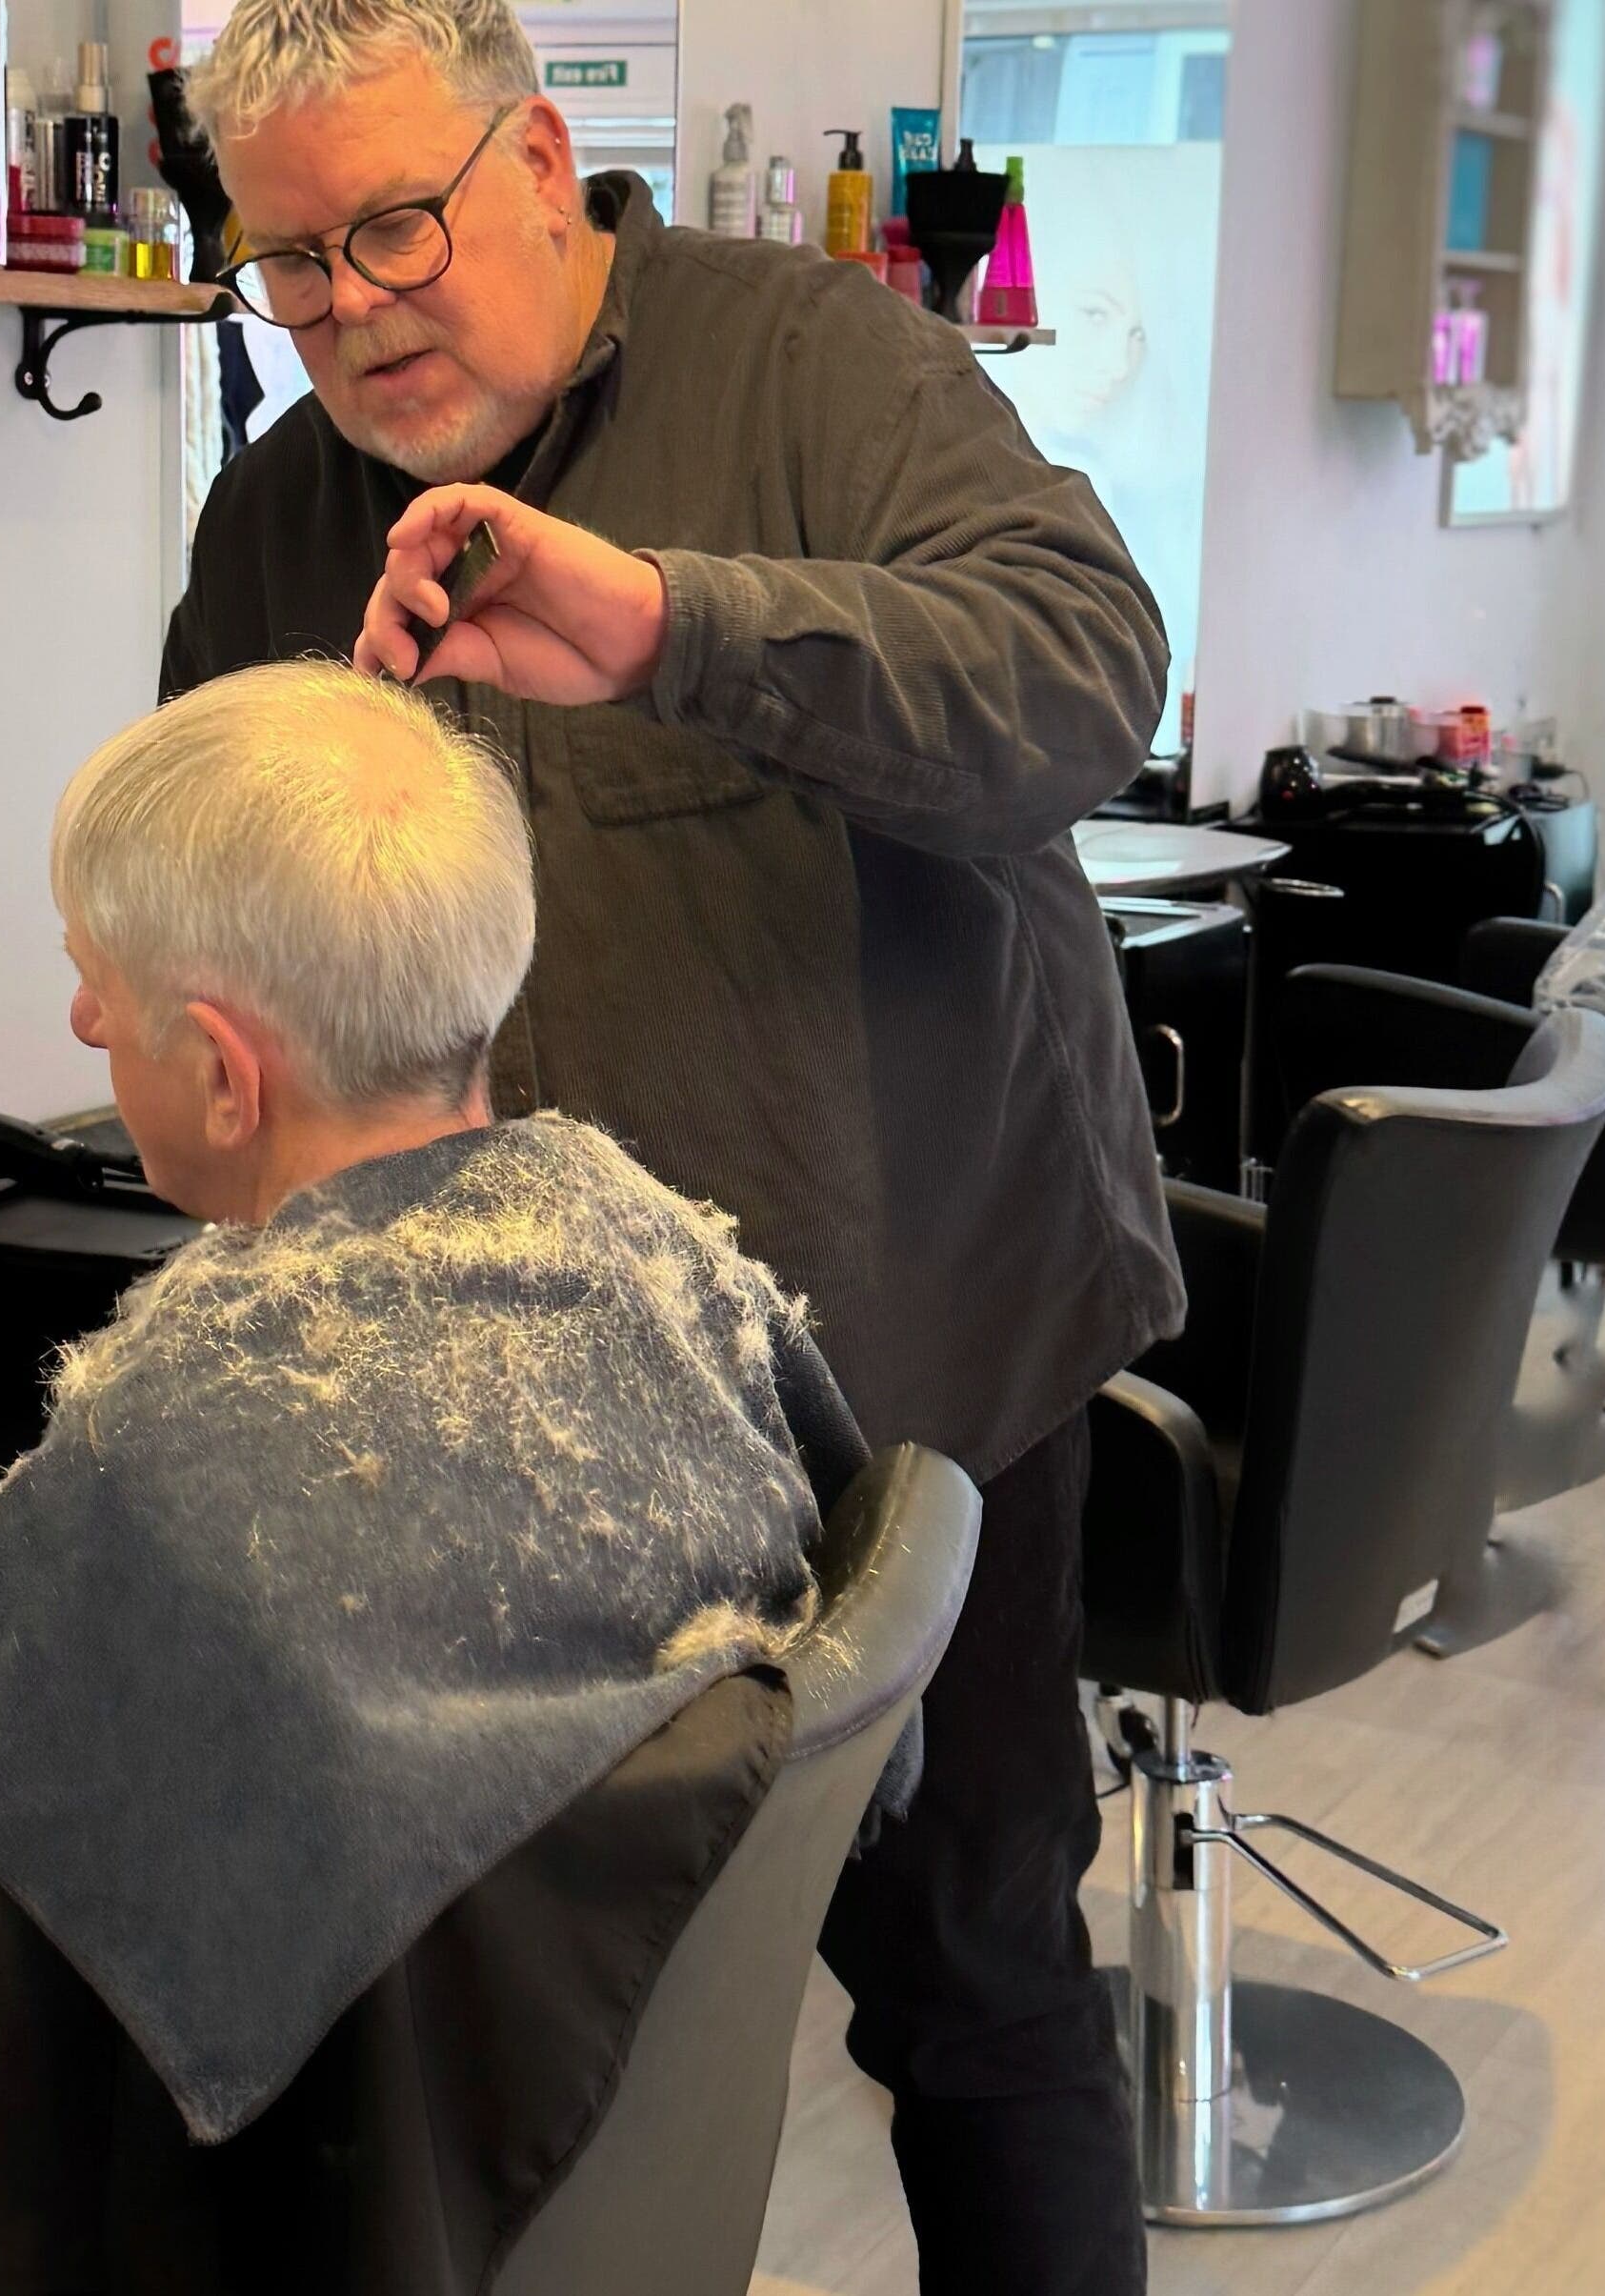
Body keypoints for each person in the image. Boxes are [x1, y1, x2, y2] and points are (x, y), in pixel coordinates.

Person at [171, 5, 1184, 2287]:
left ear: (538, 161)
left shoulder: (816, 369)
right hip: (513, 1428)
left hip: (914, 1364)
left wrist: (665, 627)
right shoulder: (273, 527)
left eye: (395, 226)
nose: (346, 307)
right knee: (539, 2049)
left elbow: (1082, 672)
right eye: (291, 263)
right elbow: (222, 895)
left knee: (976, 1992)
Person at [0, 659, 870, 2145]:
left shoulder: (186, 1453)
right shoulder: (661, 1259)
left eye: (96, 982)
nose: (80, 1017)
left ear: (222, 1075)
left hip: (309, 2175)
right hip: (558, 2114)